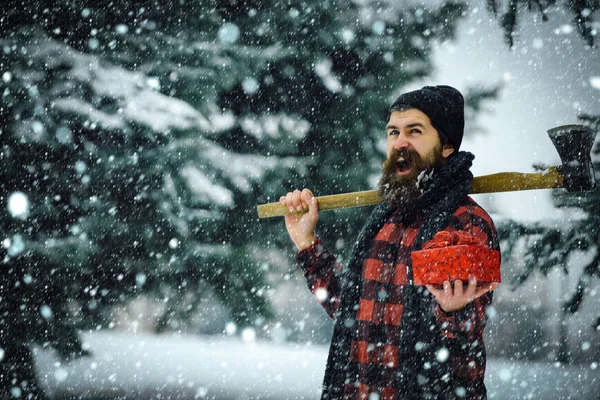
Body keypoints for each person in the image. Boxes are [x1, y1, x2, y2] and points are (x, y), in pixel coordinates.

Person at [280, 85, 500, 400]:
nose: (400, 143)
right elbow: (353, 309)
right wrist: (307, 245)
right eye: (393, 132)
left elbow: (468, 330)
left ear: (447, 145)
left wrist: (454, 310)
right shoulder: (385, 220)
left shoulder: (466, 222)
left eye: (414, 131)